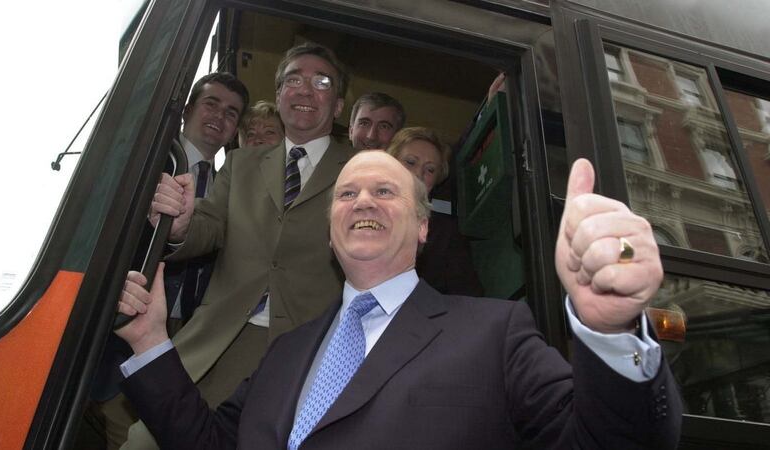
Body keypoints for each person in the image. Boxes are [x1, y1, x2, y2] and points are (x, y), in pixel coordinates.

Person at [116, 151, 682, 450]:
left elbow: (613, 440)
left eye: (385, 191)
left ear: (422, 226)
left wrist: (610, 330)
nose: (364, 199)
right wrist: (150, 342)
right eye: (346, 193)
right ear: (331, 225)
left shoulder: (494, 332)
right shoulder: (285, 352)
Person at [120, 42, 355, 449]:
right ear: (279, 95)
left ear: (337, 106)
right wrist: (178, 227)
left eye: (321, 82)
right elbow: (208, 227)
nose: (304, 90)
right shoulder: (242, 164)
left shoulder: (359, 169)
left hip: (301, 356)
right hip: (216, 341)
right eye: (293, 80)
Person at [87, 72, 248, 450]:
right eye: (211, 103)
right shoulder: (144, 162)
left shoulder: (237, 186)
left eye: (232, 112)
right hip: (131, 326)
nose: (219, 116)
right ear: (188, 109)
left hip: (193, 335)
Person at [386, 126, 484, 296]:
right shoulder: (358, 210)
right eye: (410, 162)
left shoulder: (445, 236)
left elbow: (468, 296)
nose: (418, 173)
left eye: (430, 169)